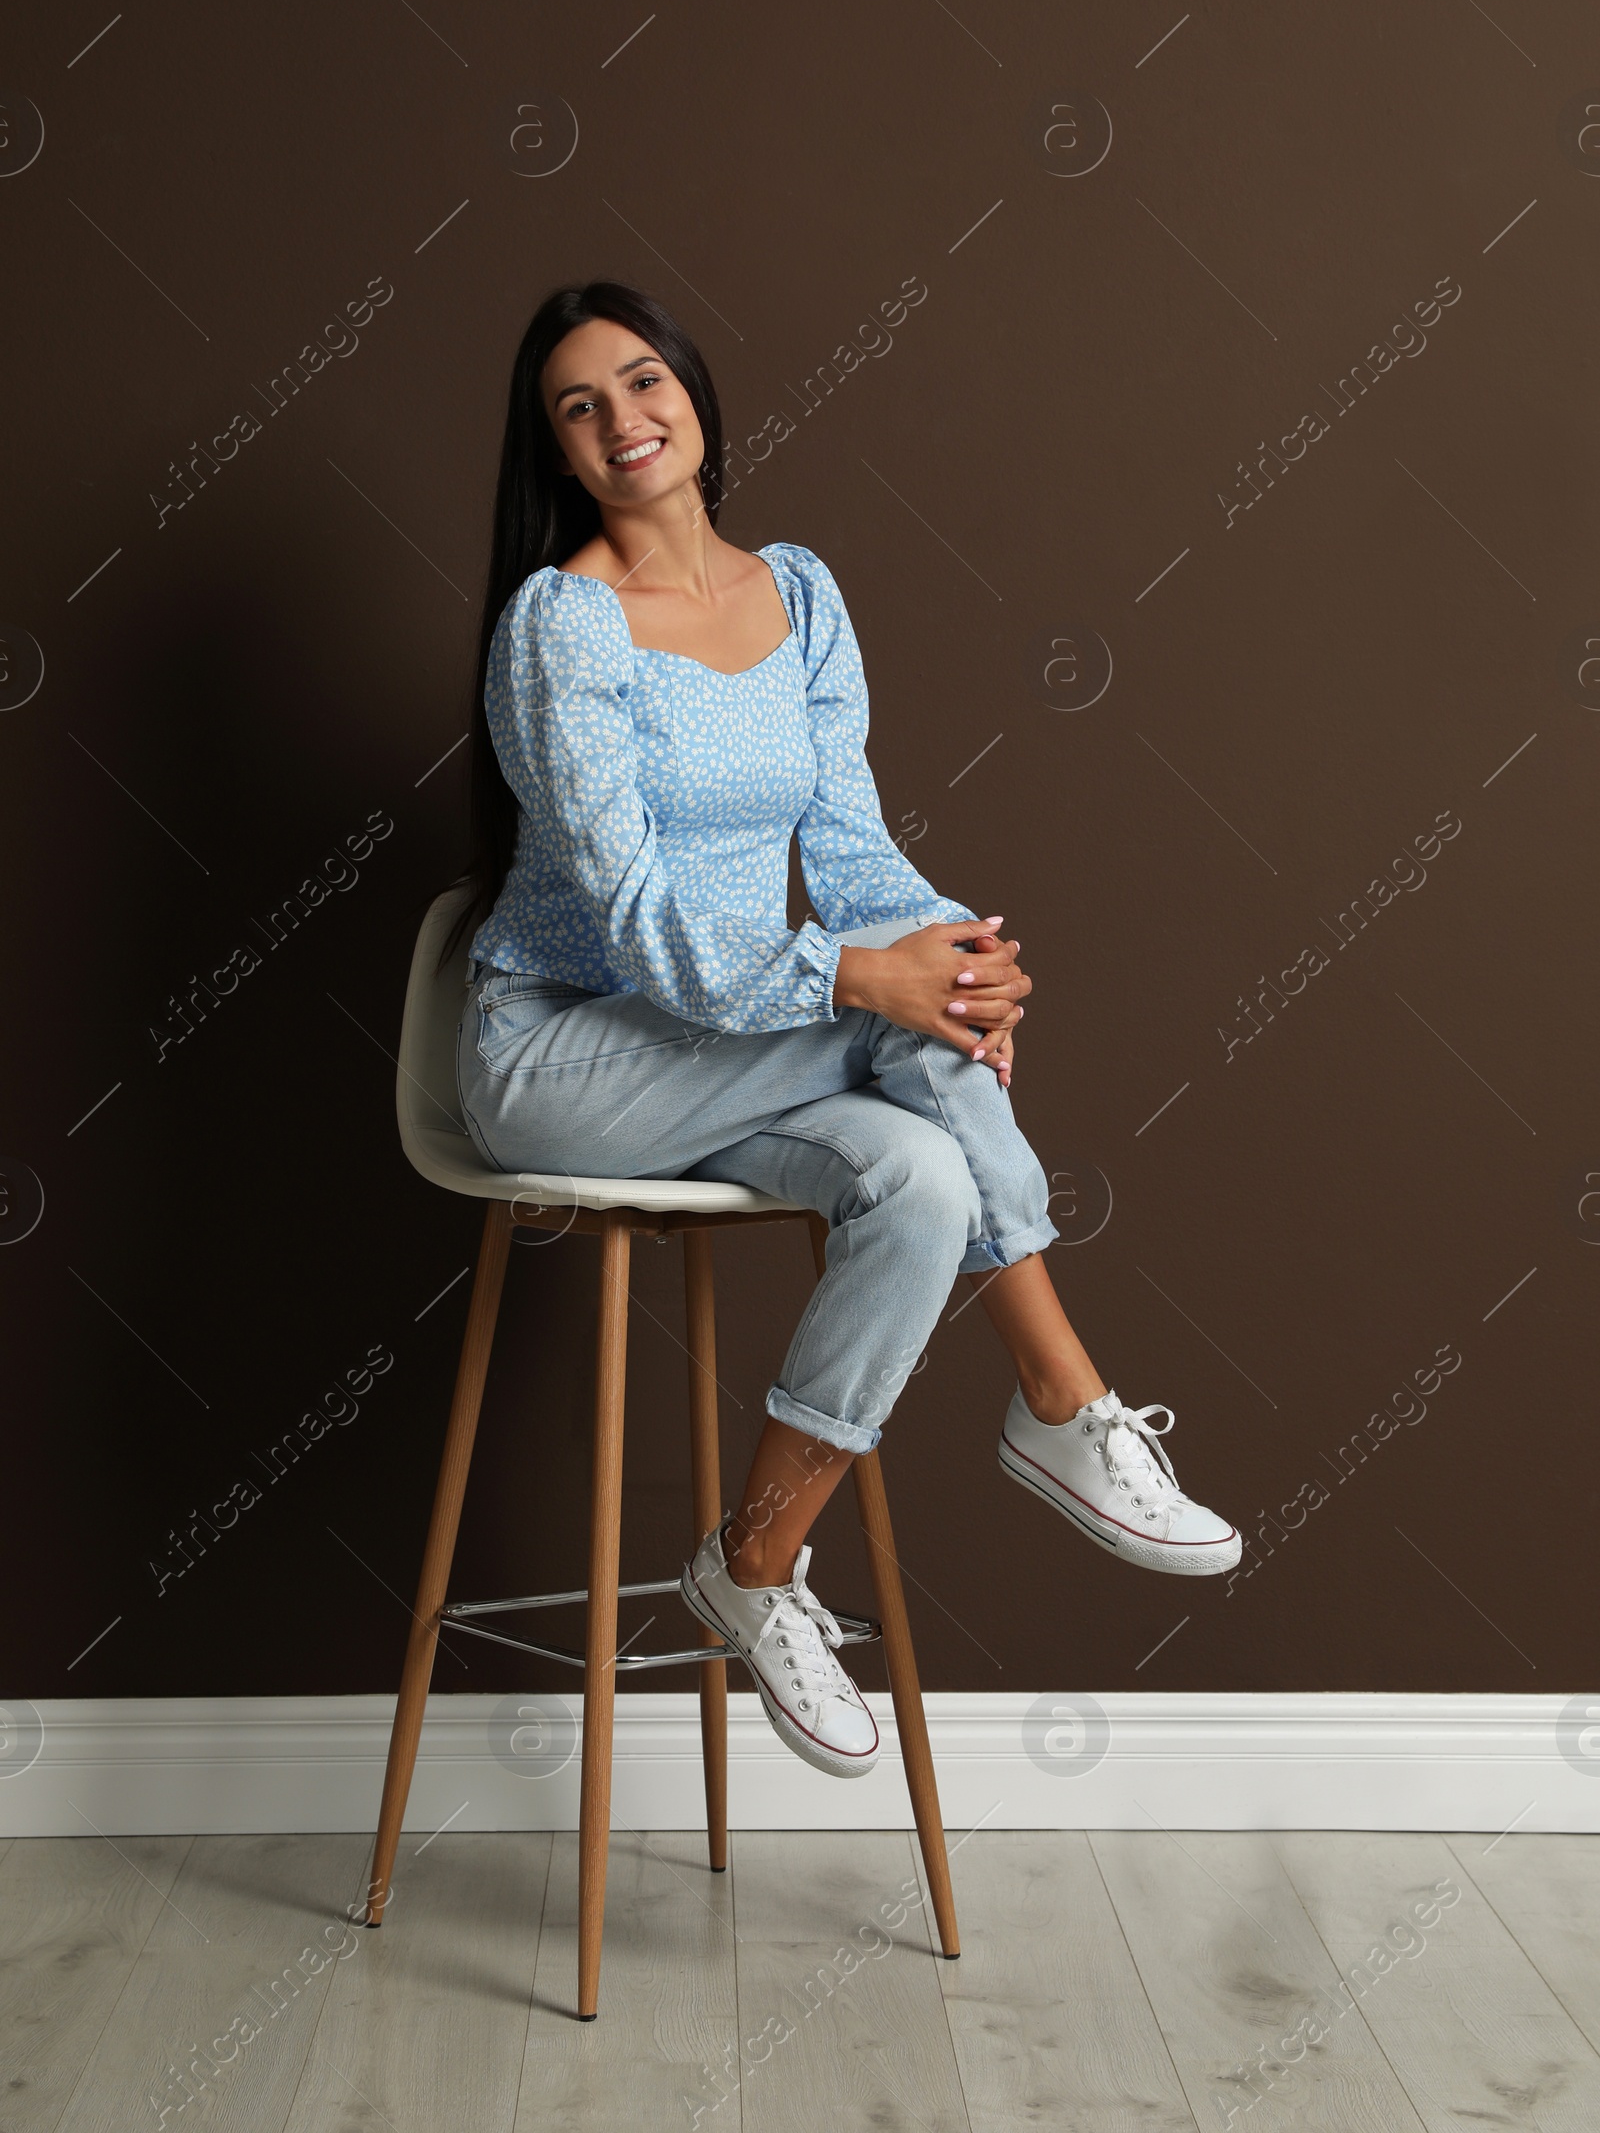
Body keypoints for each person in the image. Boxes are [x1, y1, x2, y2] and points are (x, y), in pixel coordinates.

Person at [444, 281, 1239, 1782]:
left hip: (731, 1051)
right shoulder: (563, 625)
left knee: (925, 1177)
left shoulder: (799, 591)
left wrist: (968, 955)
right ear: (554, 452)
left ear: (692, 390)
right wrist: (880, 988)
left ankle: (749, 1569)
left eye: (641, 382)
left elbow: (860, 855)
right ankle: (1062, 1402)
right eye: (578, 406)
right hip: (565, 1058)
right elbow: (642, 931)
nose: (623, 421)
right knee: (905, 1027)